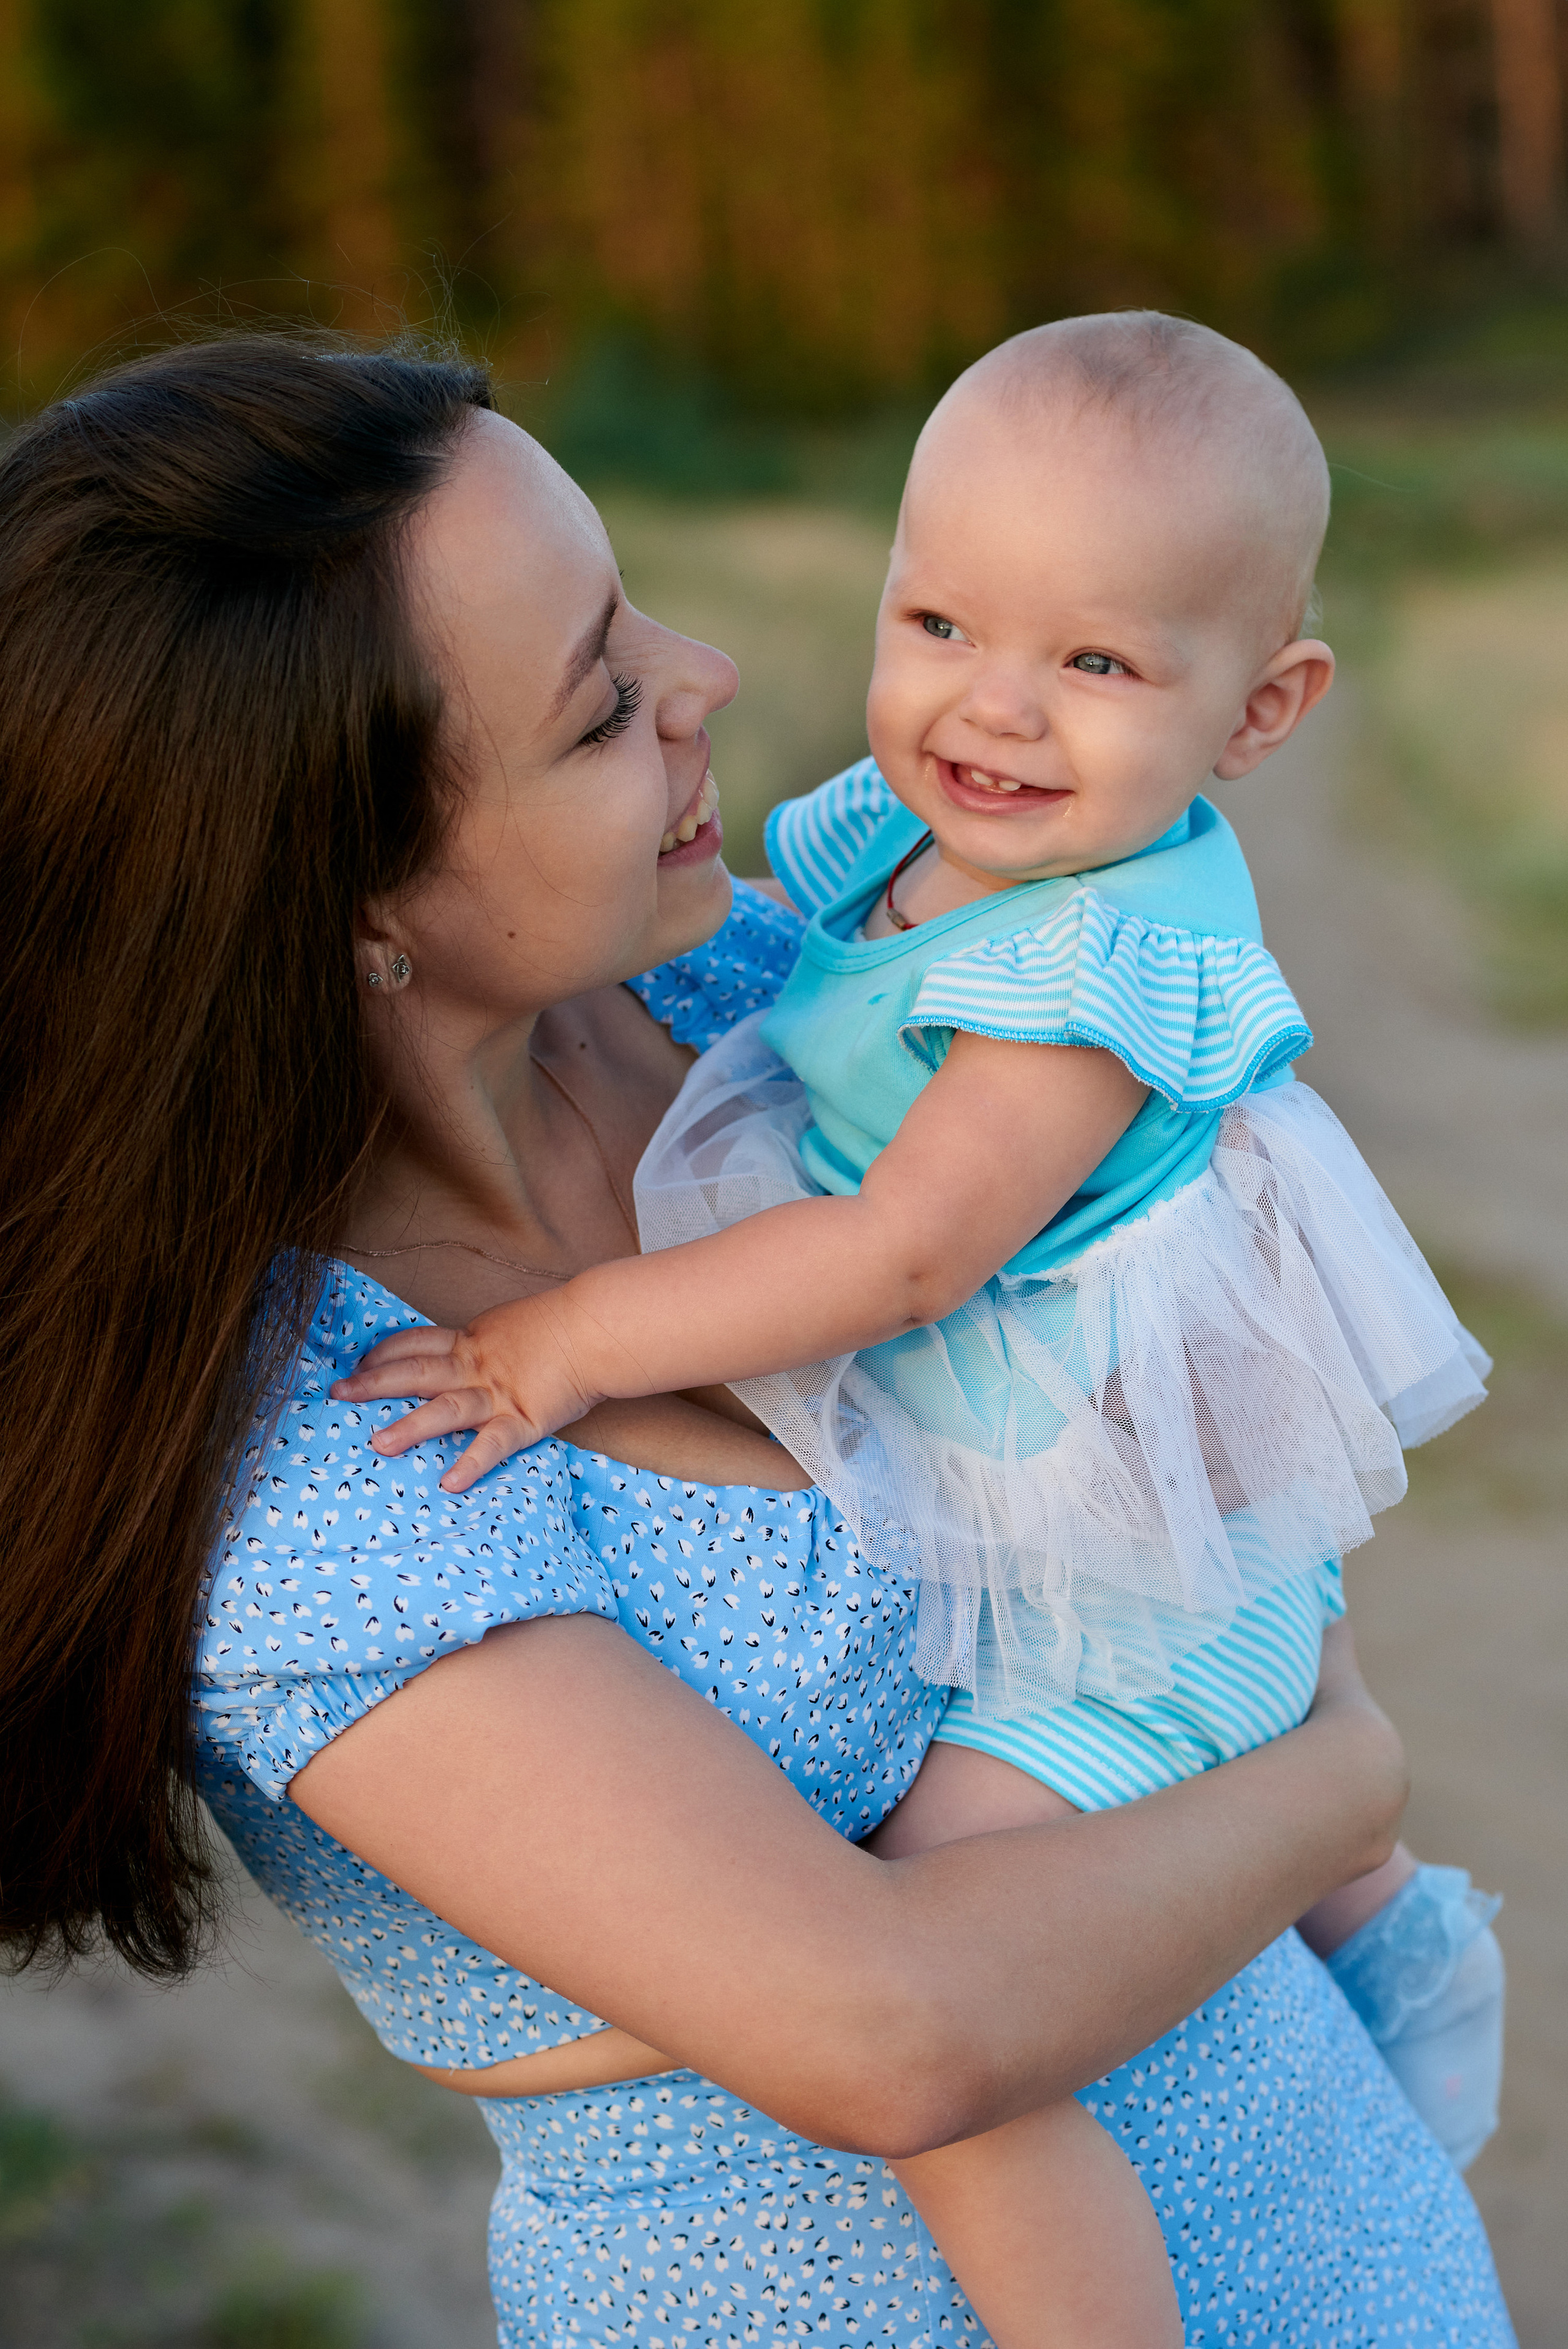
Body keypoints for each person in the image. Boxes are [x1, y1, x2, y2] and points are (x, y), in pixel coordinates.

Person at [0, 333, 1514, 2349]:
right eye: (607, 695)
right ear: (349, 888)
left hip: (1353, 2251)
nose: (706, 673)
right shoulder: (330, 1471)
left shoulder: (730, 984)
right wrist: (1341, 1777)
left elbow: (1094, 1270)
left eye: (634, 605)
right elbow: (896, 2030)